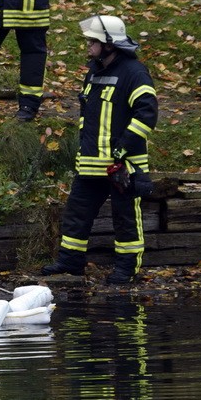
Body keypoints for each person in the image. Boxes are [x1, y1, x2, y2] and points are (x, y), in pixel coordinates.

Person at [41, 15, 157, 285]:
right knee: (76, 214)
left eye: (93, 41)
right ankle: (70, 262)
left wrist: (123, 149)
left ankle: (126, 269)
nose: (88, 45)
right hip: (91, 163)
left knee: (125, 218)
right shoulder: (94, 71)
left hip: (123, 165)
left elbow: (147, 115)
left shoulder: (134, 72)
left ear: (109, 44)